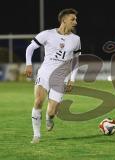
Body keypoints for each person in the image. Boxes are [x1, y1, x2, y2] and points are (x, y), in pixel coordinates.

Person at [25, 8, 81, 143]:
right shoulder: (47, 34)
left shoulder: (76, 39)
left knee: (51, 111)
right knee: (38, 102)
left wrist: (72, 79)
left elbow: (76, 60)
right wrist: (28, 64)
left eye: (76, 19)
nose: (75, 22)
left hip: (60, 77)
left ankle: (49, 118)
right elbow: (30, 48)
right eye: (72, 19)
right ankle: (37, 135)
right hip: (44, 73)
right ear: (64, 20)